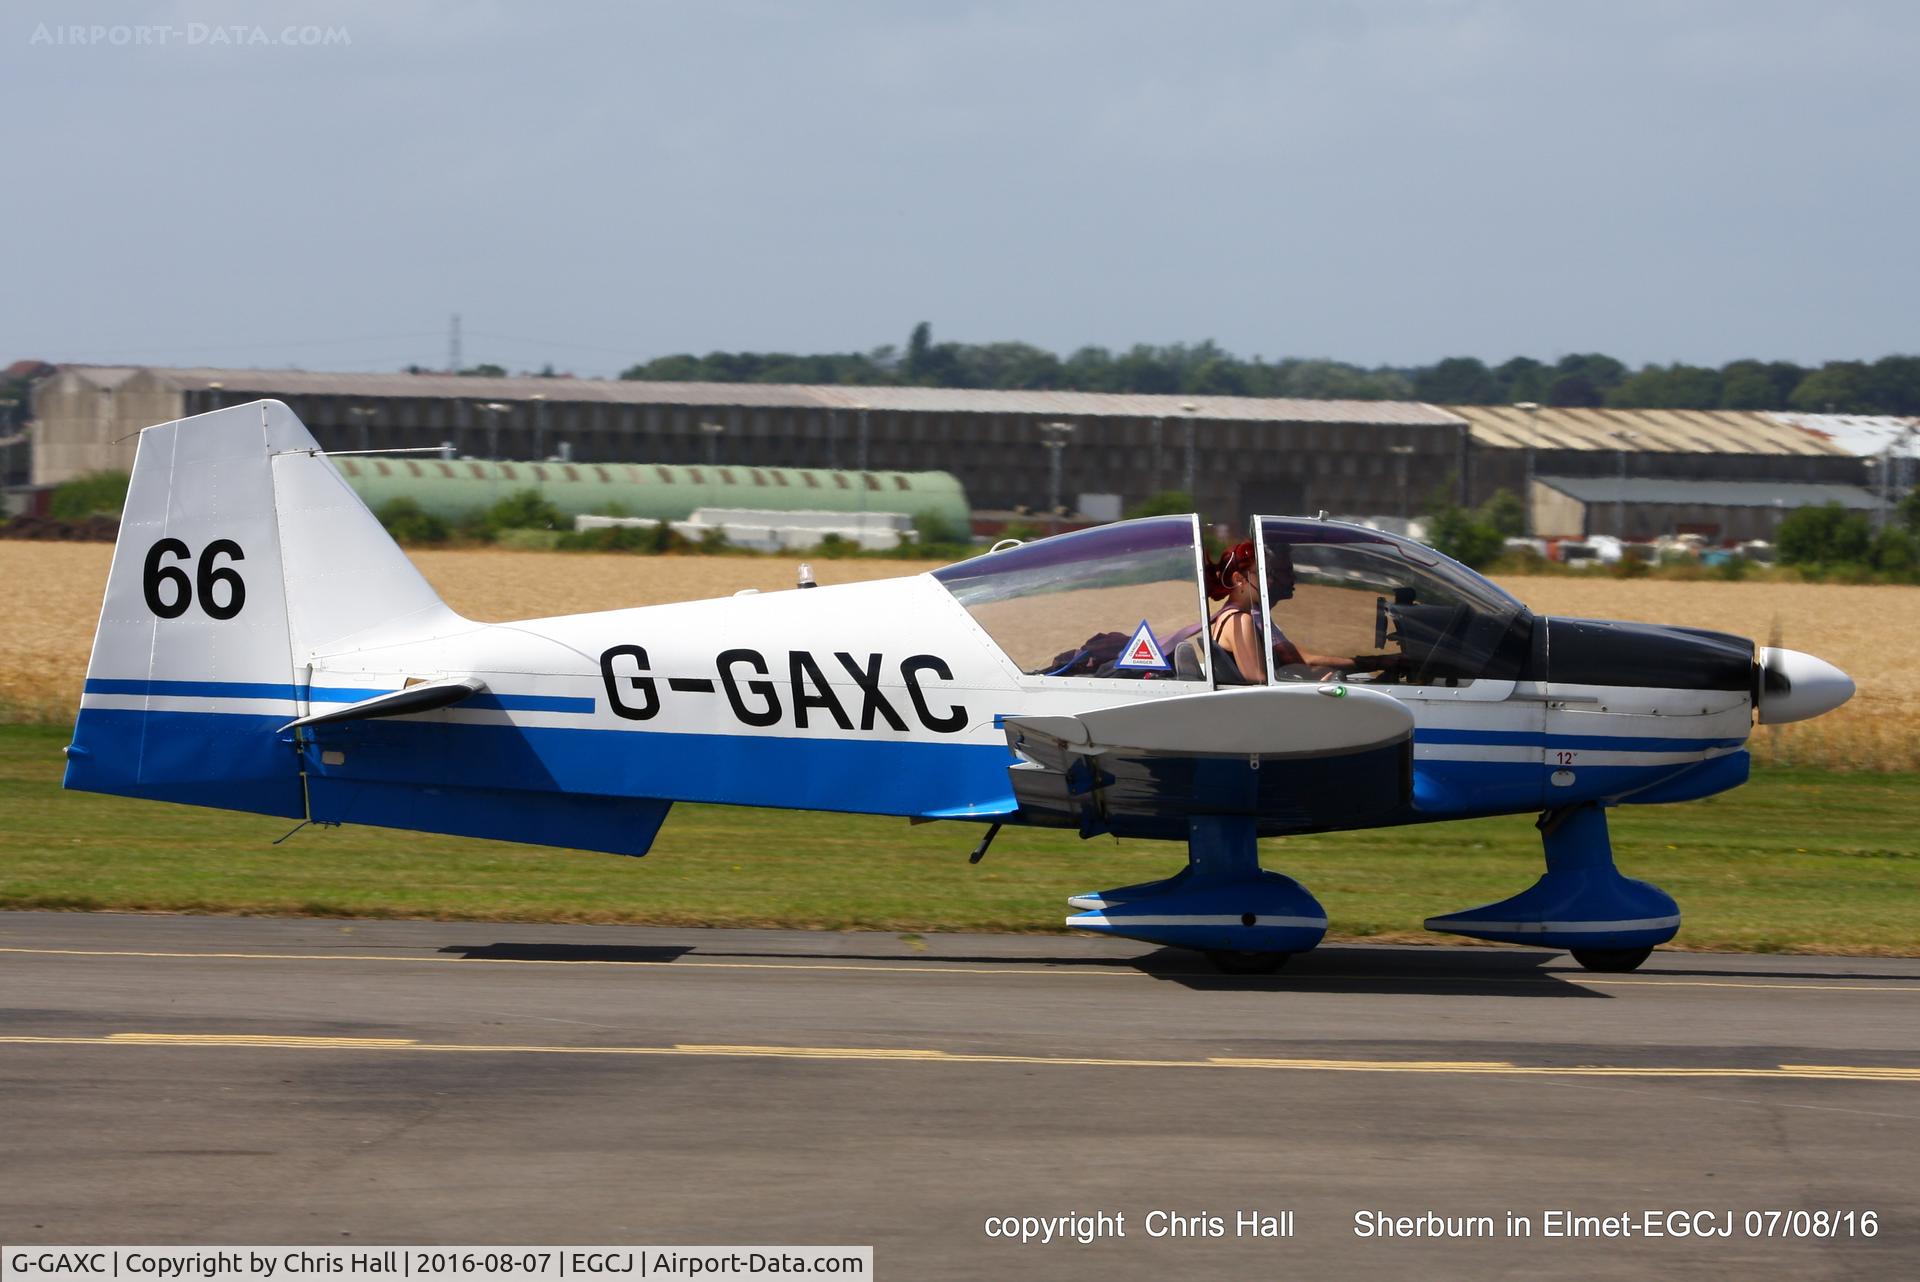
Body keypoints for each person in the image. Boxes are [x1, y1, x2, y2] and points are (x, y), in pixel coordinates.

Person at [1204, 540, 1355, 683]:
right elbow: (1258, 682)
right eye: (1263, 573)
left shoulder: (1230, 616)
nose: (1270, 581)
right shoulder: (1240, 620)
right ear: (1239, 579)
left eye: (1269, 573)